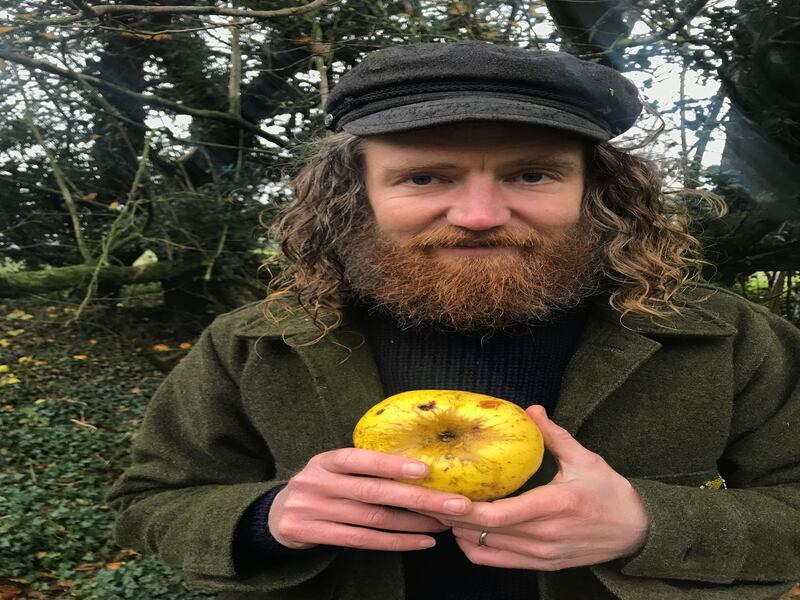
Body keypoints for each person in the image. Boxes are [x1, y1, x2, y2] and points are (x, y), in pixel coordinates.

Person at [107, 41, 800, 600]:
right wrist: (266, 521)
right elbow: (152, 501)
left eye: (531, 175)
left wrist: (650, 525)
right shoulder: (252, 344)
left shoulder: (727, 339)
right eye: (424, 177)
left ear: (598, 191)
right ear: (357, 194)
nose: (478, 216)